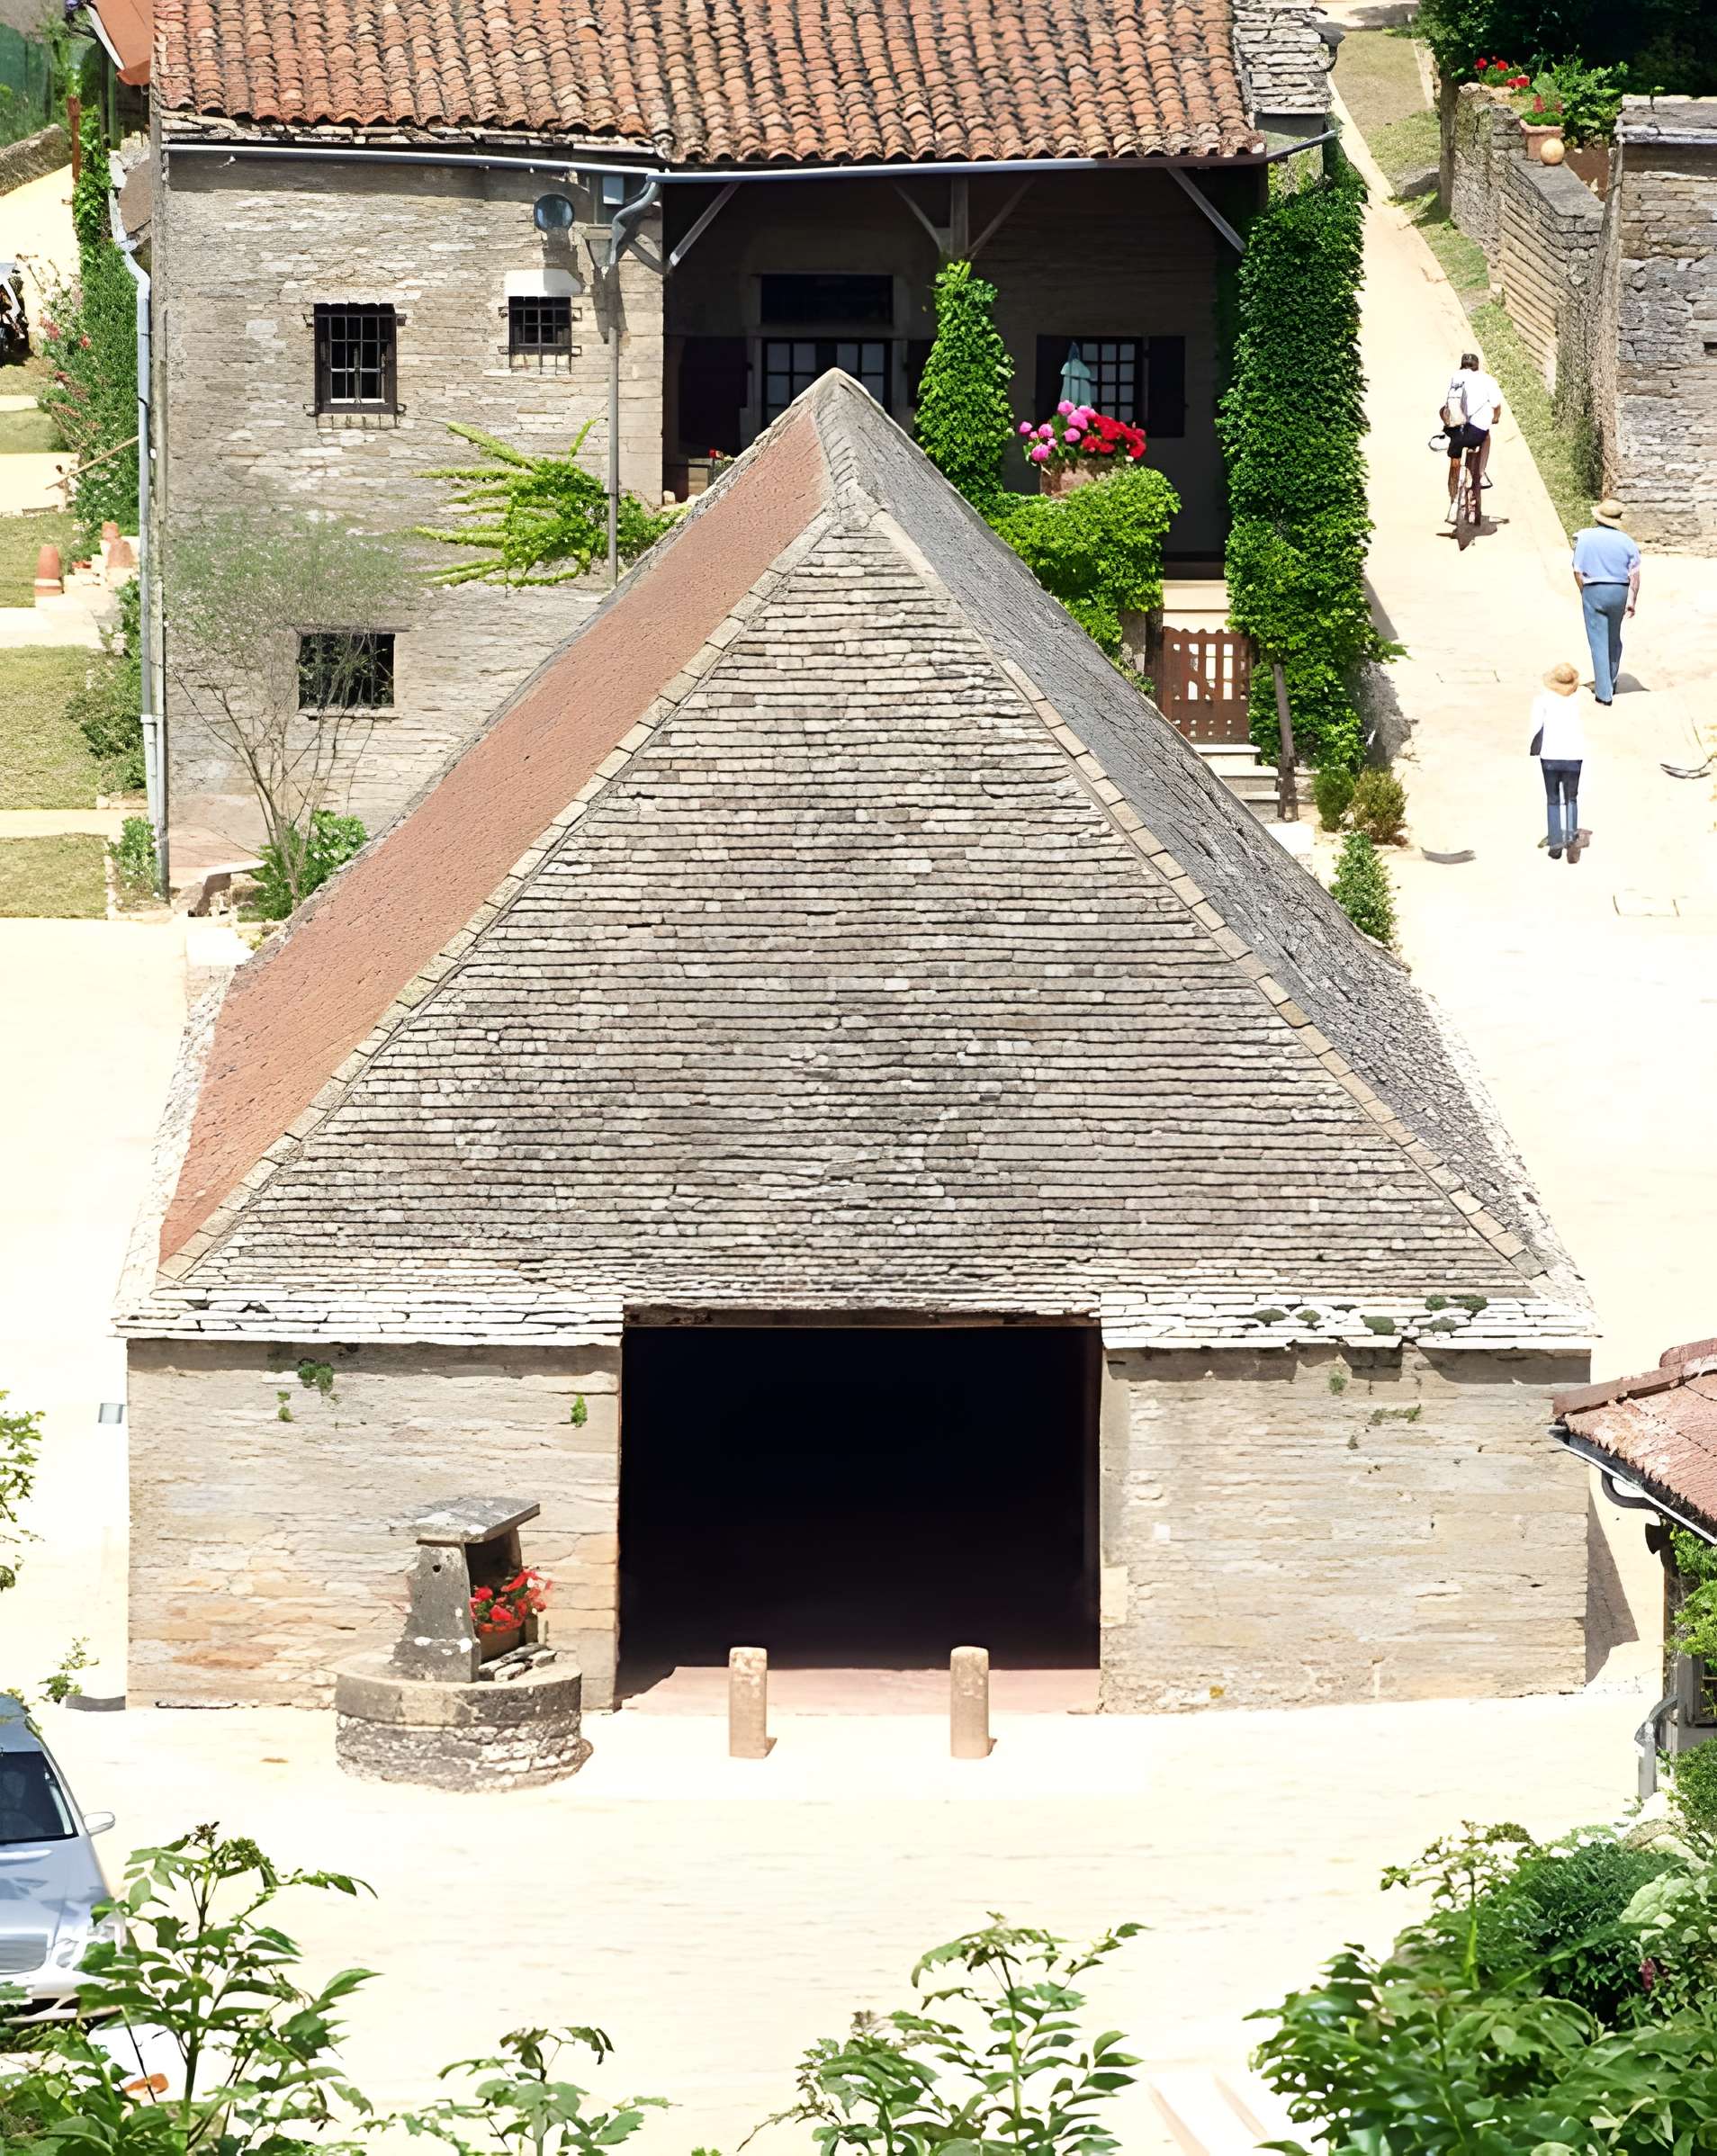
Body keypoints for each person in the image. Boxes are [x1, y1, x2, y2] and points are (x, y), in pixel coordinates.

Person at [1571, 499, 1641, 705]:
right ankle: (1610, 679)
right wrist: (1631, 600)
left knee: (1598, 641)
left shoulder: (1585, 538)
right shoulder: (1628, 542)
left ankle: (1604, 693)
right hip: (1618, 591)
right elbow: (1635, 576)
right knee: (1613, 638)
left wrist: (1585, 592)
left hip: (1594, 589)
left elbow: (1577, 570)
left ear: (1597, 517)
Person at [1532, 661, 1587, 863]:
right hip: (1574, 755)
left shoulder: (1542, 701)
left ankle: (1555, 843)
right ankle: (1571, 839)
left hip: (1550, 755)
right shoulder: (1579, 700)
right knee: (1572, 798)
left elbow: (1535, 728)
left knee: (1553, 799)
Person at [1442, 349, 1503, 523]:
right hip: (1476, 433)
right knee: (1486, 438)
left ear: (1462, 365)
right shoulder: (1487, 379)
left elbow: (1448, 405)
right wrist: (1495, 418)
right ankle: (1481, 474)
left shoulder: (1456, 377)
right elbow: (1496, 405)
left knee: (1454, 460)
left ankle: (1453, 502)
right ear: (1477, 366)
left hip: (1457, 431)